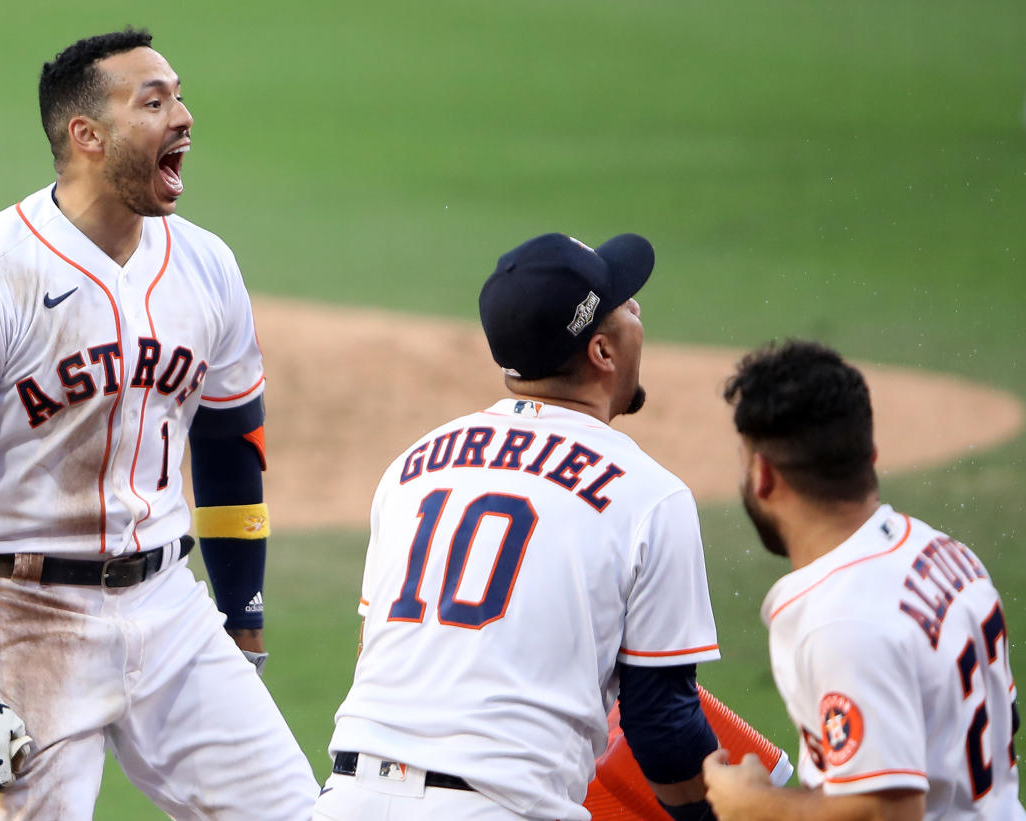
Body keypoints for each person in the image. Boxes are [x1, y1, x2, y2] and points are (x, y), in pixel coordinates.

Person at [0, 28, 318, 820]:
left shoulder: (206, 265)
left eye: (179, 95)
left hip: (171, 605)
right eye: (153, 103)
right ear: (86, 136)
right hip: (29, 619)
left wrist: (243, 617)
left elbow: (229, 444)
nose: (183, 116)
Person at [313, 232, 723, 821]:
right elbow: (663, 725)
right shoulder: (651, 496)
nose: (639, 310)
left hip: (346, 798)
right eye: (626, 303)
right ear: (602, 353)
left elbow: (373, 651)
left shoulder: (411, 468)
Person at [703, 339, 1024, 820]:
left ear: (764, 475)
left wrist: (755, 805)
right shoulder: (940, 551)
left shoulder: (843, 622)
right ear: (869, 455)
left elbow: (887, 814)